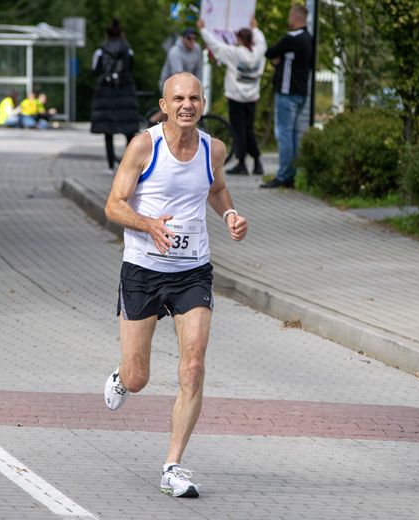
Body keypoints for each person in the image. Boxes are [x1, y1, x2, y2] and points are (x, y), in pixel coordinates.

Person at [103, 72, 248, 498]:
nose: (187, 105)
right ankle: (121, 380)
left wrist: (229, 215)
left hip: (192, 271)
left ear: (203, 104)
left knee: (194, 366)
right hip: (143, 270)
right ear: (164, 105)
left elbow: (216, 189)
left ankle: (173, 466)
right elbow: (113, 204)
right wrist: (147, 224)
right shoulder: (144, 146)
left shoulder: (213, 149)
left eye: (195, 98)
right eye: (178, 98)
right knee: (138, 376)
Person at [198, 17, 267, 175]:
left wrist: (203, 29)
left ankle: (241, 163)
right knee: (248, 130)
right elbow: (262, 41)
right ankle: (257, 162)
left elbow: (216, 46)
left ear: (240, 39)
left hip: (236, 98)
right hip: (252, 98)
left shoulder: (235, 53)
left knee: (238, 131)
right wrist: (255, 28)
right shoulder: (258, 53)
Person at [261, 4, 313, 188]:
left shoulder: (292, 38)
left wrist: (279, 59)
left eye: (290, 15)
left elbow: (269, 52)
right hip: (301, 93)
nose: (288, 19)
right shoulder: (309, 39)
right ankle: (291, 174)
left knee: (283, 134)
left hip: (286, 92)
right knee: (293, 135)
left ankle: (283, 176)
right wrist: (282, 60)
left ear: (296, 17)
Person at [90, 19, 139, 173]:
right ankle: (128, 165)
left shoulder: (100, 51)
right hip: (125, 93)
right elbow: (131, 69)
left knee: (108, 131)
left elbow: (95, 71)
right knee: (129, 131)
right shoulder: (128, 50)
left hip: (106, 94)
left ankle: (111, 166)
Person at [150, 28, 204, 124]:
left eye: (194, 38)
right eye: (189, 38)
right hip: (169, 82)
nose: (192, 41)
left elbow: (199, 70)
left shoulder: (197, 48)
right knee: (173, 105)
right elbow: (178, 75)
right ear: (183, 39)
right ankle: (152, 121)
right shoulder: (175, 52)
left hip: (187, 82)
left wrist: (199, 86)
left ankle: (164, 128)